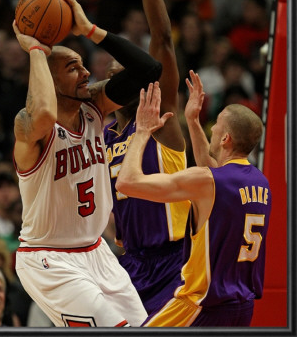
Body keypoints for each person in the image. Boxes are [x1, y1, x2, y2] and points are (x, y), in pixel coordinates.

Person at [12, 0, 163, 326]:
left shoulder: (94, 107)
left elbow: (149, 69)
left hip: (96, 252)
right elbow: (43, 110)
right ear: (50, 76)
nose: (86, 73)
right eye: (74, 68)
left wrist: (90, 29)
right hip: (49, 260)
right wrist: (38, 51)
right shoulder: (30, 126)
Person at [116, 75, 271, 327]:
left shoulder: (206, 181)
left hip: (200, 304)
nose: (213, 128)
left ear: (225, 139)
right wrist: (192, 120)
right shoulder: (259, 181)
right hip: (241, 306)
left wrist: (142, 132)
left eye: (218, 124)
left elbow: (127, 183)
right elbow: (212, 171)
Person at [102, 0, 189, 315]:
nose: (119, 71)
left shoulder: (163, 121)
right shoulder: (103, 138)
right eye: (115, 70)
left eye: (130, 69)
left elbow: (163, 39)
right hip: (129, 264)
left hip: (175, 263)